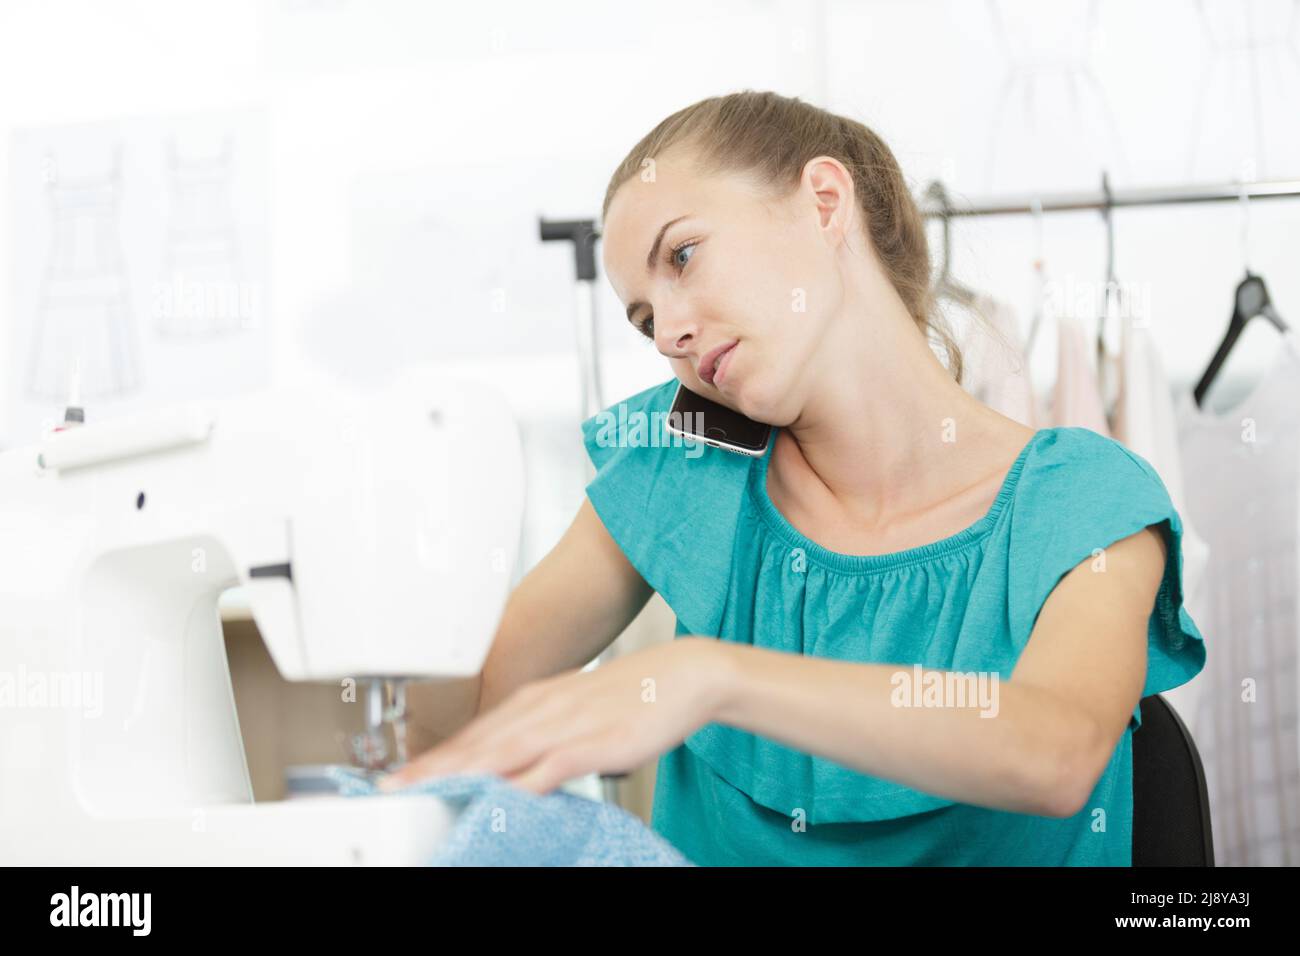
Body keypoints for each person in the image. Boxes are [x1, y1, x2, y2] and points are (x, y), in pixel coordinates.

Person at [388, 90, 1205, 866]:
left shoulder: (1082, 499)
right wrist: (427, 554)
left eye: (683, 255)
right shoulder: (685, 460)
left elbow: (1054, 752)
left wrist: (710, 678)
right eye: (643, 322)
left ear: (823, 201)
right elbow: (465, 712)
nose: (670, 331)